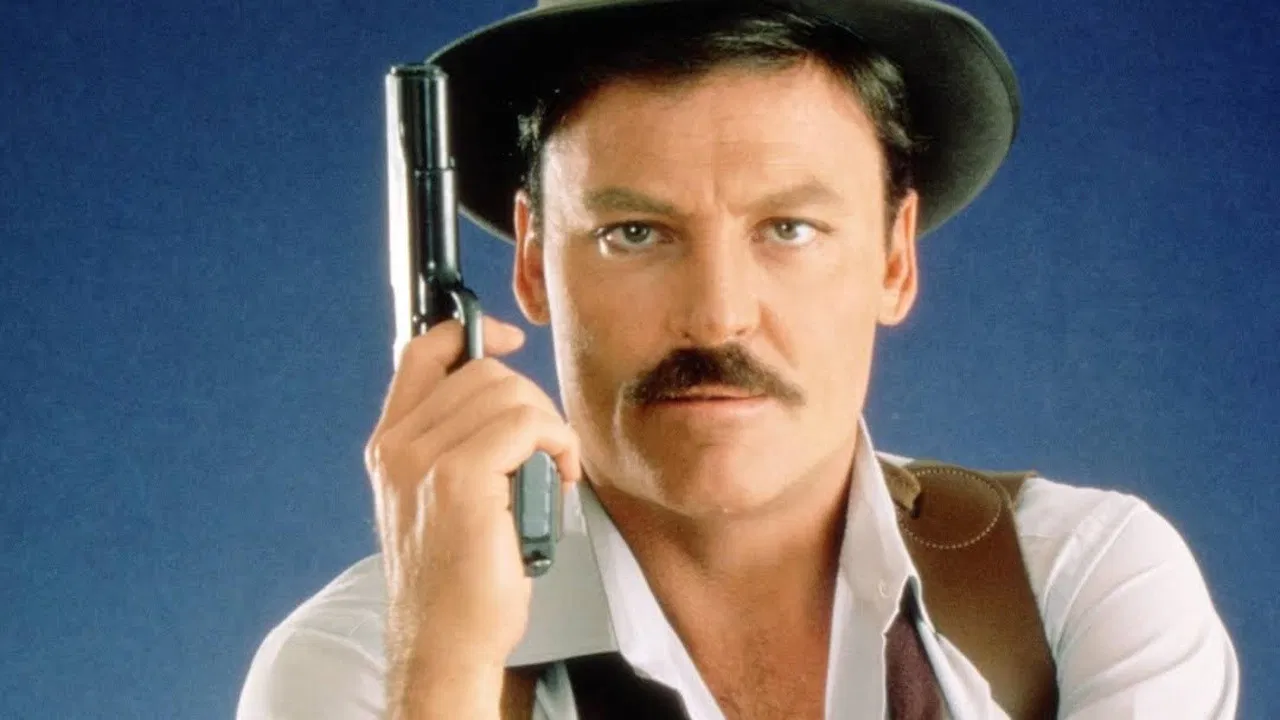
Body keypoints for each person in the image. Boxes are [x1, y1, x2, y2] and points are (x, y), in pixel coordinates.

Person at [236, 0, 1239, 718]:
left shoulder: (1077, 584)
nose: (715, 318)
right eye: (634, 233)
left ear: (894, 260)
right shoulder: (356, 669)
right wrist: (443, 675)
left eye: (788, 228)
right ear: (533, 264)